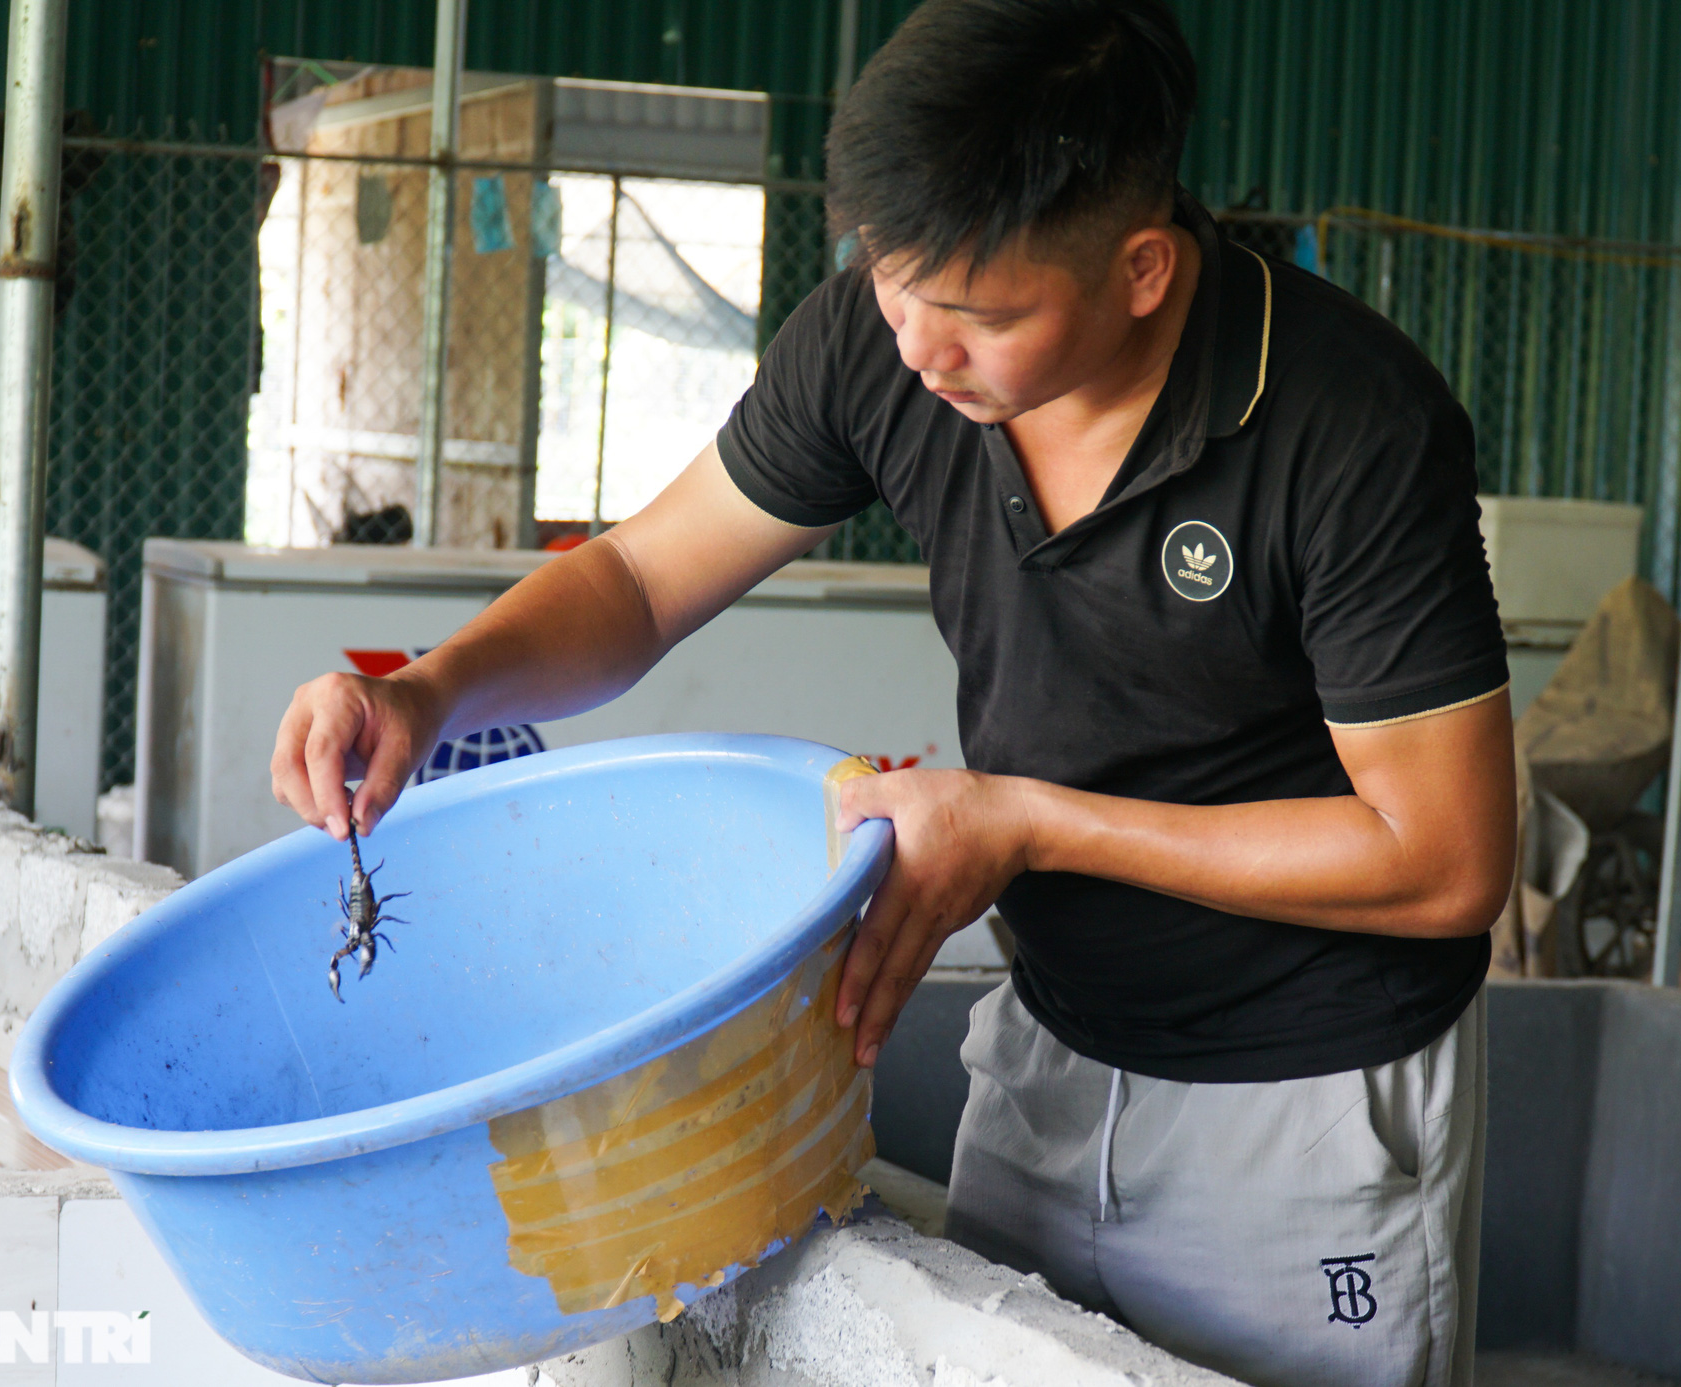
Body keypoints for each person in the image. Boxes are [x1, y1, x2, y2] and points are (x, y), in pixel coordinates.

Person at [271, 3, 1515, 1383]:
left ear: (1145, 269)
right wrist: (430, 692)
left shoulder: (1351, 430)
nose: (920, 345)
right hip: (1052, 1042)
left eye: (980, 313)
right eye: (885, 275)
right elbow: (635, 580)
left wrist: (1027, 824)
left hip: (1306, 1096)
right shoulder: (893, 337)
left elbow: (1443, 859)